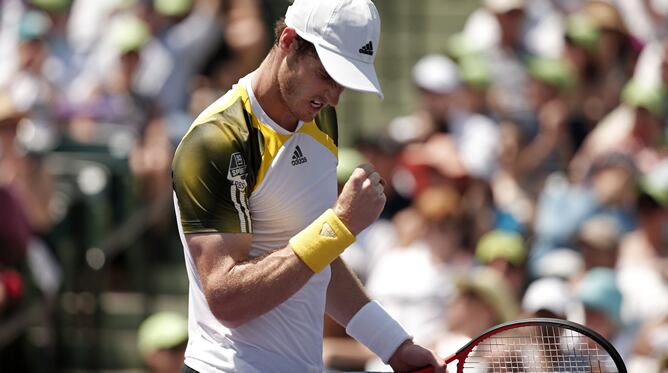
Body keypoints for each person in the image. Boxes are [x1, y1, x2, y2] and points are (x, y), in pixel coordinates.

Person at [171, 0, 445, 372]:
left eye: (344, 82)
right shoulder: (216, 140)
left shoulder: (321, 118)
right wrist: (341, 225)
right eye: (327, 75)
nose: (333, 97)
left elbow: (317, 259)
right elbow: (226, 299)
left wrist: (394, 345)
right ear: (288, 40)